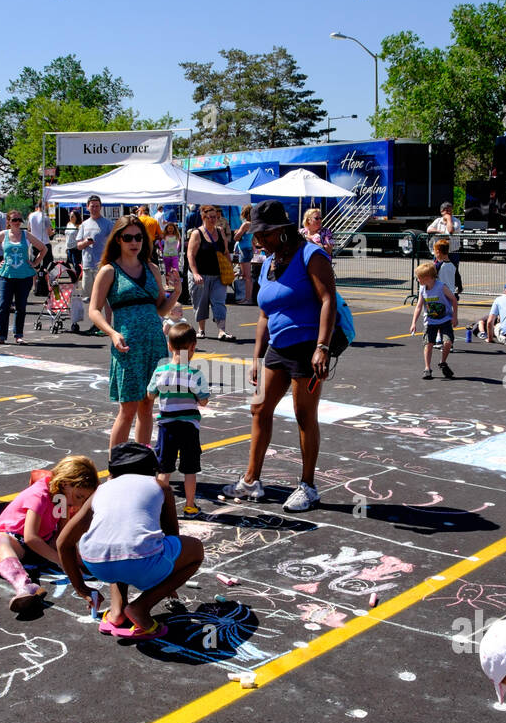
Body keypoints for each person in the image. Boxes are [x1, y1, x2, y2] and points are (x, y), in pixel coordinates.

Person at [222, 199, 337, 513]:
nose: (258, 241)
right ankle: (251, 481)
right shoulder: (269, 263)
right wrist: (257, 358)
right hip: (277, 348)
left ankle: (308, 486)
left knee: (303, 416)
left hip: (306, 348)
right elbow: (263, 314)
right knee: (259, 408)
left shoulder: (311, 255)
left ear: (283, 230)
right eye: (256, 236)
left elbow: (328, 300)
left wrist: (322, 348)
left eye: (265, 235)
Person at [57, 442, 206, 641]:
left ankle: (117, 613)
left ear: (112, 474)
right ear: (152, 471)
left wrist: (82, 588)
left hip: (96, 562)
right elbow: (172, 535)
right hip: (141, 560)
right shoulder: (159, 485)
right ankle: (141, 607)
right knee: (195, 550)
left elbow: (63, 543)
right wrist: (168, 584)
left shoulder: (100, 491)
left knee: (119, 546)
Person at [88, 214, 177, 448]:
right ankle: (116, 470)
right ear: (118, 239)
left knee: (147, 407)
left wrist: (176, 291)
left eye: (138, 237)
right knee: (127, 410)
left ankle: (141, 463)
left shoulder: (151, 268)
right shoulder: (109, 271)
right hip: (127, 345)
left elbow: (161, 309)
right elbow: (94, 310)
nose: (134, 242)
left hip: (154, 344)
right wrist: (112, 333)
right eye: (128, 237)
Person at [0, 455, 100, 613]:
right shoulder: (39, 494)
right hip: (15, 547)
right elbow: (30, 537)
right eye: (79, 496)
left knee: (81, 562)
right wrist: (63, 562)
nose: (79, 503)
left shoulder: (61, 497)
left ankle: (32, 579)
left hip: (39, 547)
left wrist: (79, 562)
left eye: (83, 499)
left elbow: (61, 536)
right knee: (0, 539)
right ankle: (23, 585)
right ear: (65, 483)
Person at [147, 321, 212, 517]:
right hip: (189, 427)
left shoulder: (160, 371)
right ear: (193, 347)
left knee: (164, 469)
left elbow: (150, 395)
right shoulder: (195, 374)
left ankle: (157, 508)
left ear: (169, 346)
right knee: (190, 469)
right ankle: (190, 505)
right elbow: (204, 401)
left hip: (167, 426)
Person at [0, 210, 47, 346]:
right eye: (14, 220)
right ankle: (0, 335)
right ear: (8, 221)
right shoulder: (3, 234)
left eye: (19, 220)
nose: (18, 222)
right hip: (6, 275)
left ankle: (18, 335)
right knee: (3, 306)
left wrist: (35, 263)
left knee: (21, 307)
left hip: (24, 276)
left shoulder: (26, 235)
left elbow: (43, 248)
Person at [186, 205, 235, 341]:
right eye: (211, 217)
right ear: (203, 217)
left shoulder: (220, 232)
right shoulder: (197, 233)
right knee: (201, 303)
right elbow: (190, 255)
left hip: (218, 275)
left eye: (216, 216)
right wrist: (195, 273)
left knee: (219, 302)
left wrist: (230, 269)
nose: (214, 219)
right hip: (201, 275)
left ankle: (222, 331)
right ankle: (201, 329)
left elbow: (225, 252)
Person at [409, 261, 457, 380]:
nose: (417, 280)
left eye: (419, 278)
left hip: (445, 319)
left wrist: (455, 316)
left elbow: (454, 300)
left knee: (447, 342)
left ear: (428, 278)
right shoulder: (422, 289)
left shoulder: (441, 286)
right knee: (428, 344)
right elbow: (419, 306)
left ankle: (442, 362)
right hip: (430, 321)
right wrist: (413, 322)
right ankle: (427, 368)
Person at [73, 195, 113, 334]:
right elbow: (78, 245)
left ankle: (107, 326)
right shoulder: (84, 224)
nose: (94, 208)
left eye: (97, 206)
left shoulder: (107, 224)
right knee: (91, 298)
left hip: (102, 265)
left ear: (100, 207)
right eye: (92, 206)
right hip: (88, 264)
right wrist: (85, 242)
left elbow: (114, 243)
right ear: (87, 207)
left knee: (107, 296)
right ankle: (96, 324)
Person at [425, 200, 463, 295]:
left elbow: (450, 231)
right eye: (446, 211)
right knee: (437, 270)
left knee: (453, 271)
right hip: (439, 252)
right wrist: (440, 232)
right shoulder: (438, 221)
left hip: (452, 251)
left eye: (450, 210)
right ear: (441, 212)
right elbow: (429, 229)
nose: (448, 212)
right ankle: (436, 289)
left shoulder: (456, 221)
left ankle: (456, 289)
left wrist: (449, 219)